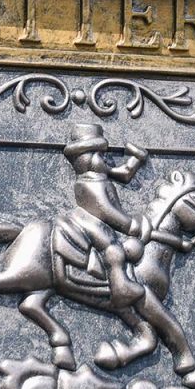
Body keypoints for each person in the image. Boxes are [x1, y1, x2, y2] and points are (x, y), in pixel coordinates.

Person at [60, 123, 150, 306]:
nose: (105, 159)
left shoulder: (101, 176)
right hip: (88, 221)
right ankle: (120, 287)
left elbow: (124, 174)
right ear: (86, 159)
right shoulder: (88, 184)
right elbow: (105, 210)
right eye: (100, 155)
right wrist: (129, 225)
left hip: (102, 219)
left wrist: (136, 159)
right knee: (111, 246)